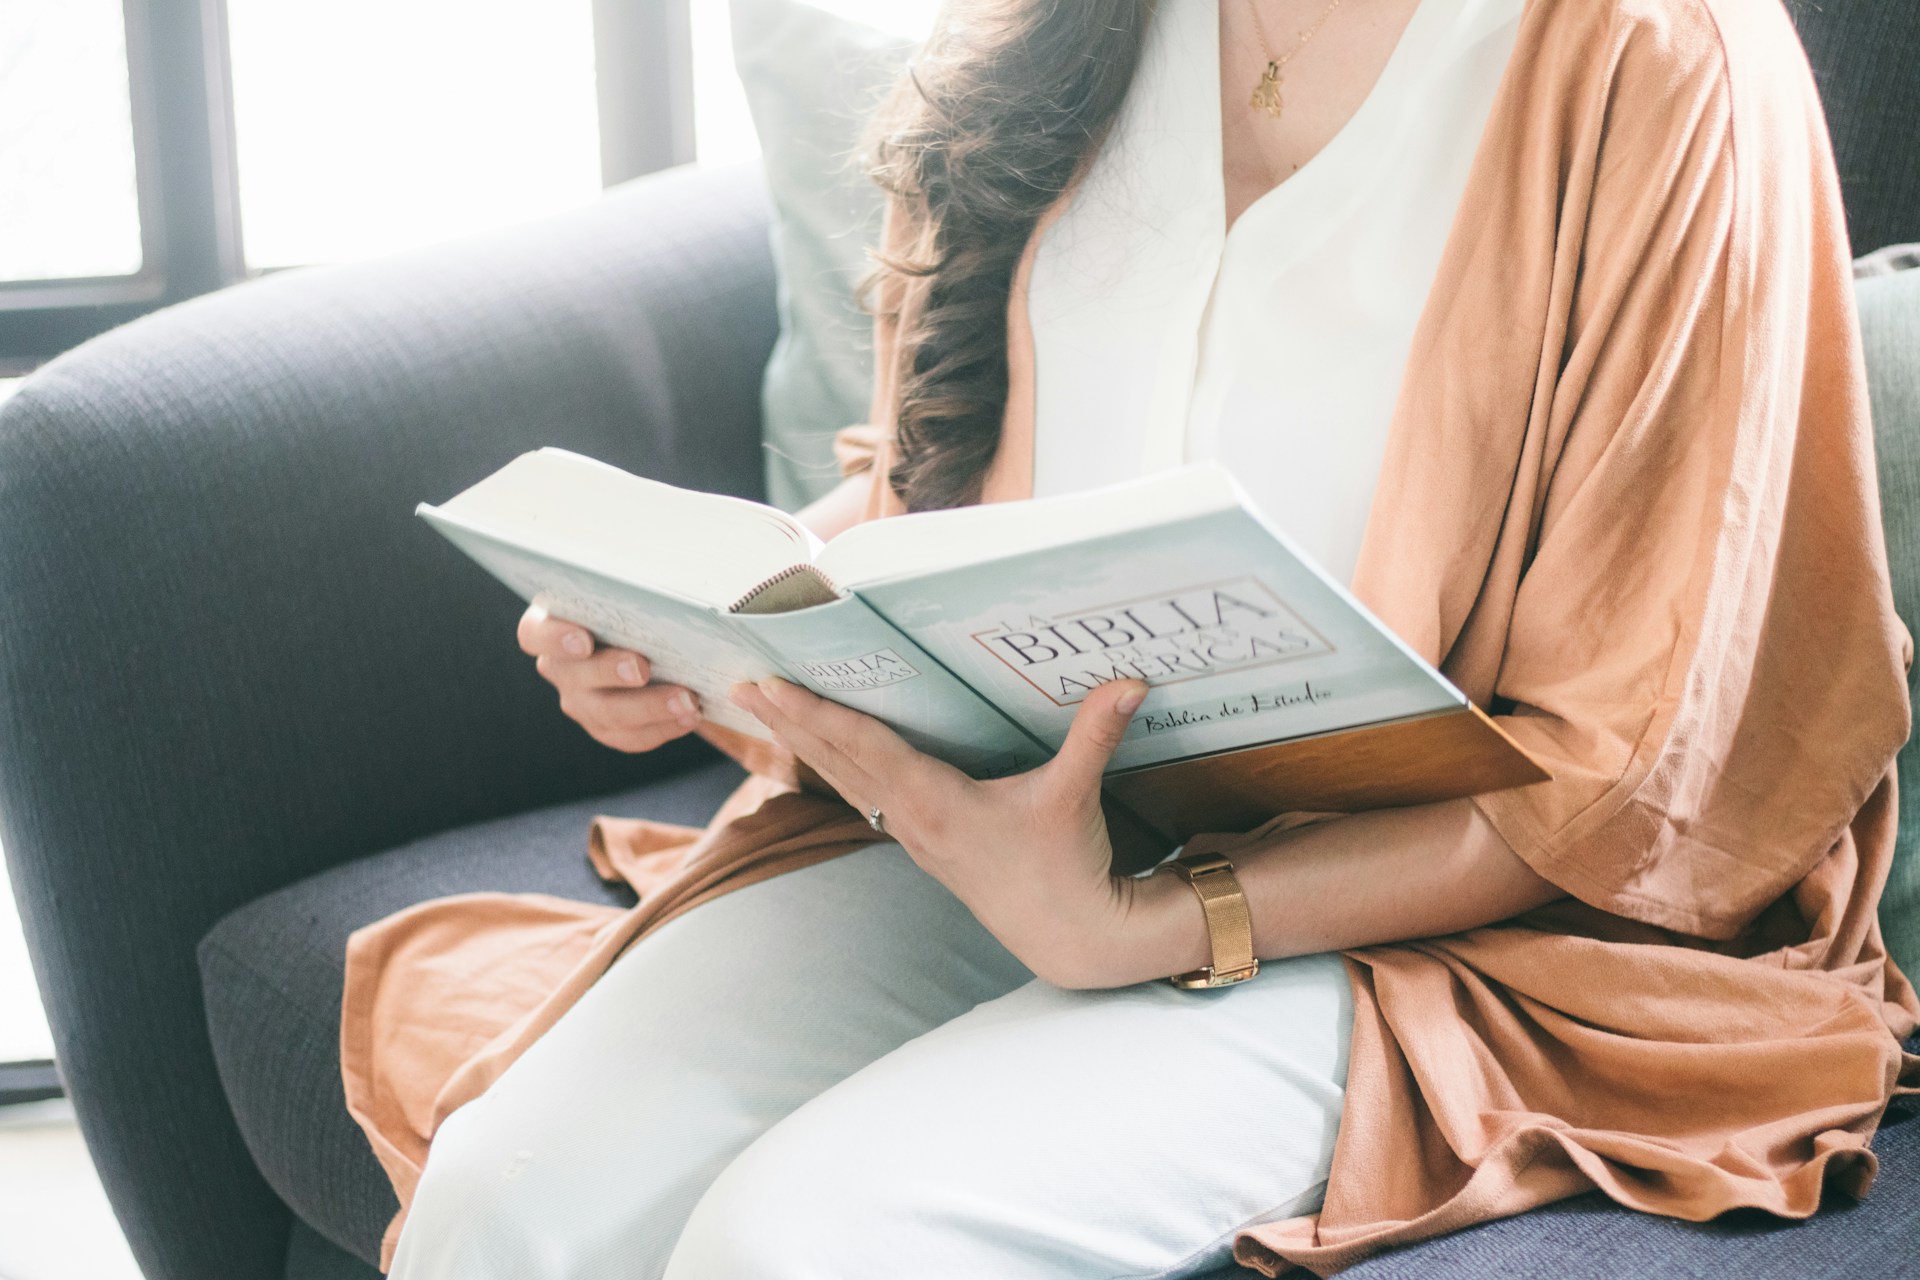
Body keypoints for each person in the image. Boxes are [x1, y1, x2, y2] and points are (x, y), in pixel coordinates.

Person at [350, 1, 1920, 1276]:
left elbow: (1628, 766)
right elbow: (938, 487)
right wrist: (706, 621)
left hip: (1417, 917)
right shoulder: (1068, 32)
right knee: (516, 1197)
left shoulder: (1662, 60)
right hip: (1005, 820)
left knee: (813, 1244)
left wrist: (1146, 928)